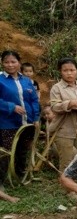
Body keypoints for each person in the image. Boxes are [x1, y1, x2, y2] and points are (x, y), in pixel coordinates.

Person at [0, 50, 40, 202]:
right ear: (2, 63)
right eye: (6, 62)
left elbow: (33, 100)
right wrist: (11, 107)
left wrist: (35, 117)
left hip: (27, 123)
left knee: (23, 150)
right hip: (7, 123)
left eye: (13, 62)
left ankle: (20, 175)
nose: (10, 65)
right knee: (6, 153)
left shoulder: (26, 81)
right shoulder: (1, 80)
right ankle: (1, 182)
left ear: (19, 63)